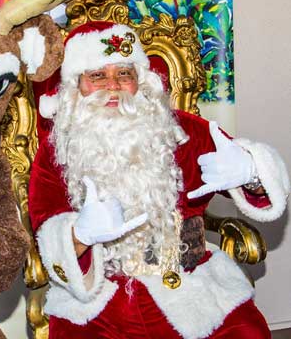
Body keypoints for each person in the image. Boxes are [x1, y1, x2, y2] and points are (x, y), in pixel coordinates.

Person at [29, 21, 289, 338]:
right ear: (76, 86)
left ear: (141, 81)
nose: (112, 86)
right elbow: (47, 230)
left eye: (124, 74)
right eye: (97, 75)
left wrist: (252, 173)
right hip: (98, 302)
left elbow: (262, 187)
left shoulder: (183, 132)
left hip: (194, 286)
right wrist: (80, 235)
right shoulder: (57, 153)